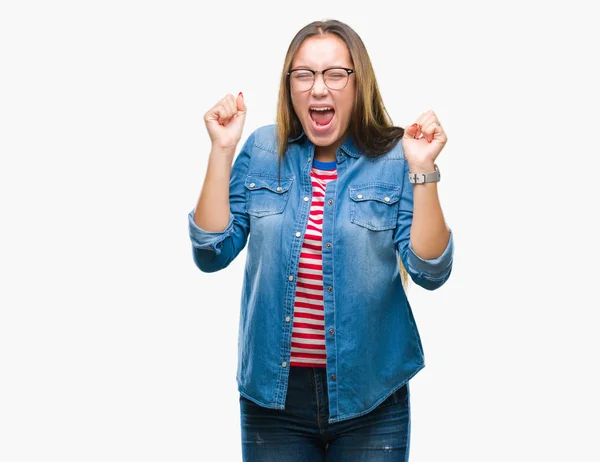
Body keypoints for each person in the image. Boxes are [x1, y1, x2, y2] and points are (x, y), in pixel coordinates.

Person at [188, 19, 454, 461]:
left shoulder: (395, 158)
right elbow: (211, 251)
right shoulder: (260, 150)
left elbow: (430, 271)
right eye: (304, 74)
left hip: (371, 395)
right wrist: (222, 150)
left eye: (334, 74)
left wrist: (422, 170)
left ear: (358, 82)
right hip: (273, 399)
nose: (318, 88)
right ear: (289, 85)